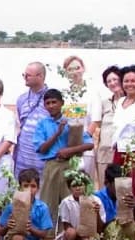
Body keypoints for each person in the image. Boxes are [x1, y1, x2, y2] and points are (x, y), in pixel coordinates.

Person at [34, 89, 93, 229]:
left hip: (71, 165)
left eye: (54, 102)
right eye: (47, 103)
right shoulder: (43, 124)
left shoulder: (72, 121)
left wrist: (69, 150)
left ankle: (71, 233)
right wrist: (57, 133)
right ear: (44, 106)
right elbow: (41, 148)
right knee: (48, 200)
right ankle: (47, 234)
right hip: (52, 165)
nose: (51, 106)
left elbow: (90, 144)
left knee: (71, 200)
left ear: (62, 103)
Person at [0, 168, 57, 240]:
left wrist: (30, 229)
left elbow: (44, 234)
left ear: (38, 188)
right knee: (18, 239)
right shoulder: (12, 206)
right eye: (26, 186)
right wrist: (7, 226)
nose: (29, 190)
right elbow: (0, 232)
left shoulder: (42, 207)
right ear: (20, 187)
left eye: (33, 186)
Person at [111, 65, 135, 204]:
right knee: (119, 190)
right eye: (126, 81)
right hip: (119, 151)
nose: (129, 84)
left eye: (133, 81)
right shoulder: (121, 101)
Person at [55, 172, 105, 240]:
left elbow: (100, 228)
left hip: (91, 238)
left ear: (86, 185)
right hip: (73, 239)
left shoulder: (95, 201)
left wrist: (97, 213)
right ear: (69, 188)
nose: (78, 188)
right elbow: (66, 226)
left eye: (81, 185)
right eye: (74, 186)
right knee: (70, 232)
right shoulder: (66, 202)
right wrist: (80, 235)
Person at [95, 164, 135, 240]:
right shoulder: (97, 198)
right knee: (113, 226)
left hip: (124, 236)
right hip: (106, 238)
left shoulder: (127, 196)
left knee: (131, 226)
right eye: (117, 186)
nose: (121, 189)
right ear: (107, 183)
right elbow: (99, 229)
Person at [88, 66, 123, 187]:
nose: (113, 83)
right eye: (109, 81)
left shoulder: (132, 102)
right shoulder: (104, 103)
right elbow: (95, 122)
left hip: (122, 152)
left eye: (115, 79)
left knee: (123, 187)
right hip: (104, 153)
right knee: (105, 187)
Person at [14, 62, 50, 177]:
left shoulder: (52, 99)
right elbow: (19, 123)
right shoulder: (21, 99)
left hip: (43, 156)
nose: (25, 78)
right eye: (24, 75)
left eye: (28, 75)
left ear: (40, 76)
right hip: (23, 155)